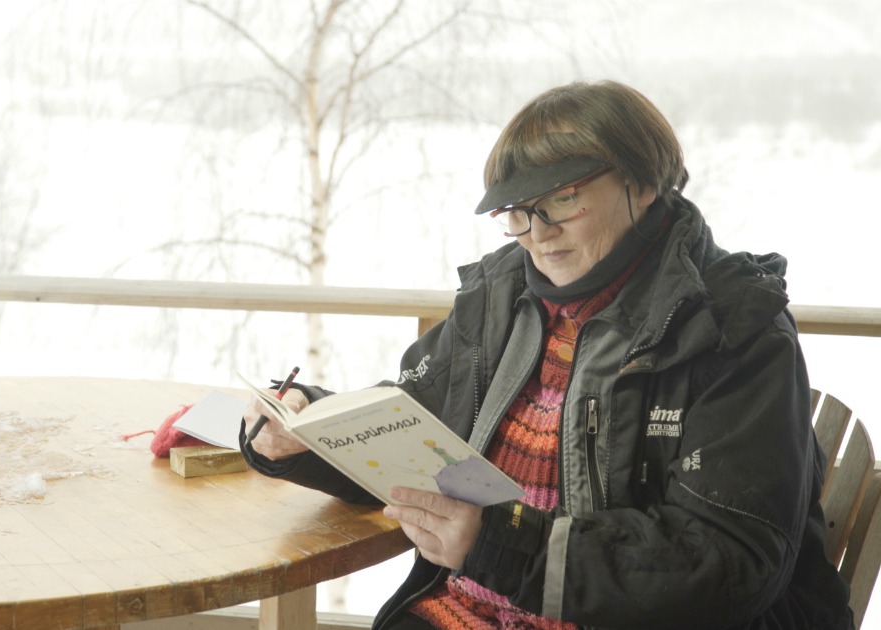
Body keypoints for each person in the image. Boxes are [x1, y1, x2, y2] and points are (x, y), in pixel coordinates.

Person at [239, 80, 854, 629]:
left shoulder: (730, 329)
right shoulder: (499, 297)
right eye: (516, 212)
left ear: (643, 183)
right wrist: (311, 430)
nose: (537, 232)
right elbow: (411, 429)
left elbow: (725, 561)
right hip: (470, 609)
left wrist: (502, 545)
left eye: (561, 200)